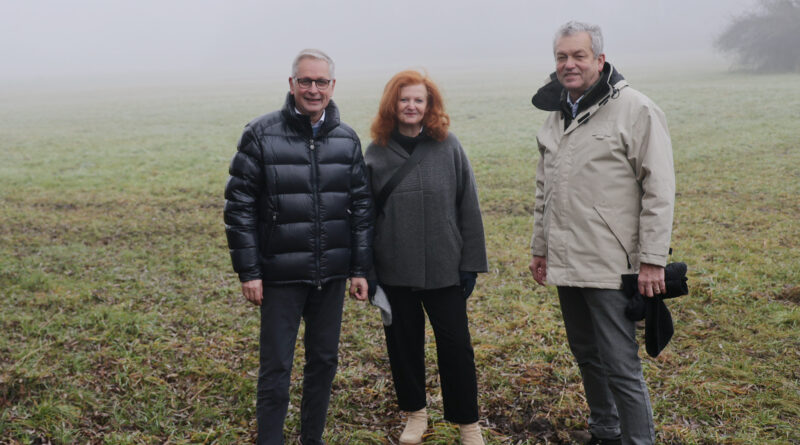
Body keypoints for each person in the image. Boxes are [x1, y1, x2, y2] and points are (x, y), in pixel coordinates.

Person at [528, 21, 675, 445]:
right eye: (561, 56)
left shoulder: (637, 109)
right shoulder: (557, 114)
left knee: (620, 364)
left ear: (600, 60)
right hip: (565, 260)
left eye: (578, 56)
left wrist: (652, 260)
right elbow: (545, 190)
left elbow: (659, 191)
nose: (569, 64)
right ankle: (604, 432)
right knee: (587, 357)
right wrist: (541, 249)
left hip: (611, 265)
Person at [223, 48, 373, 445]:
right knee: (276, 368)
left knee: (323, 363)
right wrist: (250, 271)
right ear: (291, 84)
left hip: (332, 275)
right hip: (280, 276)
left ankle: (312, 439)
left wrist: (360, 269)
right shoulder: (260, 134)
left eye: (320, 81)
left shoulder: (346, 139)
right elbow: (238, 207)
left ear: (332, 86)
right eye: (304, 81)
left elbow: (360, 208)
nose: (312, 89)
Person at [365, 70, 488, 445]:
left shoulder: (449, 146)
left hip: (445, 268)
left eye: (419, 100)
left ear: (429, 105)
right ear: (392, 104)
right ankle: (415, 415)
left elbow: (469, 204)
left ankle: (468, 423)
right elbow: (364, 216)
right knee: (403, 346)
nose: (411, 106)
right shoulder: (375, 152)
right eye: (404, 99)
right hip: (394, 270)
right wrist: (367, 272)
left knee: (456, 348)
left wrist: (470, 263)